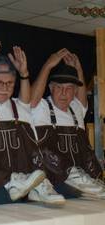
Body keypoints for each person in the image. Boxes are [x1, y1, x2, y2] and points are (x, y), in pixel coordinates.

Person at [0, 42, 65, 206]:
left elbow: (27, 101)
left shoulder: (20, 108)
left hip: (25, 185)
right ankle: (11, 182)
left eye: (10, 83)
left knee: (33, 143)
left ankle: (36, 187)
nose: (5, 88)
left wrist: (24, 73)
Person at [30, 48, 104, 199]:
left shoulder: (76, 108)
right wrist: (48, 66)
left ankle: (91, 185)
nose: (64, 93)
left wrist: (78, 68)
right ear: (50, 88)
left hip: (85, 177)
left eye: (69, 89)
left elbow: (82, 99)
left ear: (75, 91)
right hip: (55, 178)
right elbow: (30, 101)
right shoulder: (41, 107)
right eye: (59, 87)